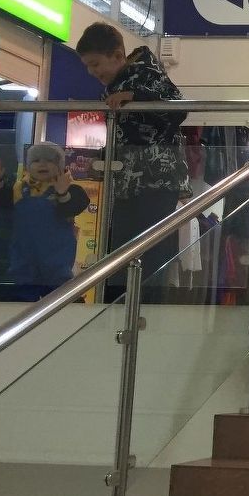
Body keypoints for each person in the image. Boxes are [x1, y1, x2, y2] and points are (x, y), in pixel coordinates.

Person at [76, 23, 189, 301]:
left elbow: (178, 106)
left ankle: (140, 308)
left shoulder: (146, 72)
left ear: (117, 56)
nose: (92, 72)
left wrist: (135, 97)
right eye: (88, 66)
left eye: (95, 64)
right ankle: (121, 307)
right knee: (121, 253)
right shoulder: (115, 85)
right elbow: (125, 133)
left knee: (147, 255)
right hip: (127, 183)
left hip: (156, 182)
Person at [0, 141, 91, 302]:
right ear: (29, 166)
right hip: (23, 262)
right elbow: (1, 200)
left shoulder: (71, 189)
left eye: (49, 160)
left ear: (59, 165)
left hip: (57, 263)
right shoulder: (19, 189)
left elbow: (74, 206)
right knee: (21, 302)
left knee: (63, 302)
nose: (42, 164)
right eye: (36, 160)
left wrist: (62, 193)